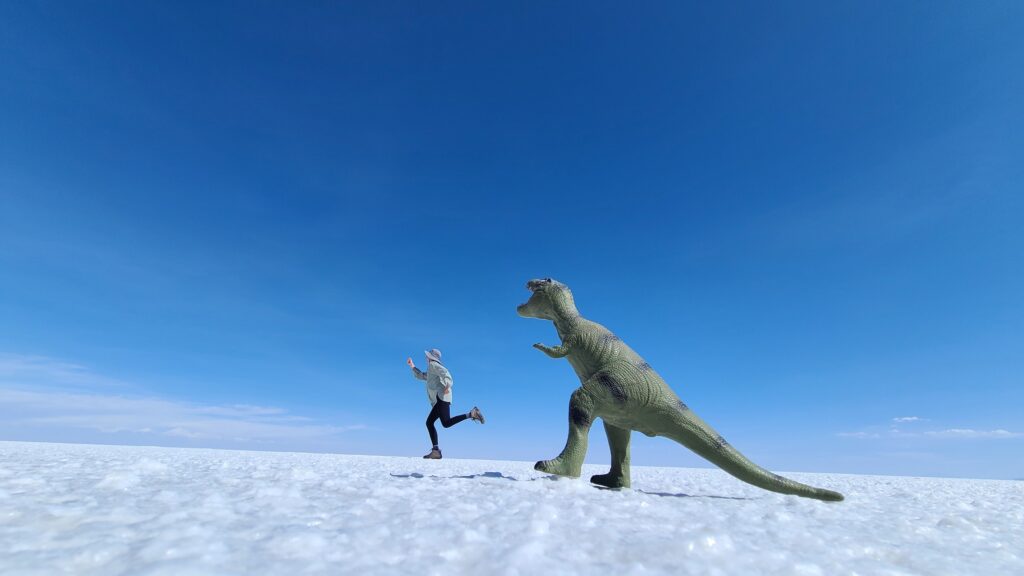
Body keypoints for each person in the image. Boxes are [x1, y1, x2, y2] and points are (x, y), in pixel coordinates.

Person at [407, 348, 484, 459]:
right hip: (442, 399)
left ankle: (436, 450)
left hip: (442, 397)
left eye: (427, 356)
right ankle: (471, 414)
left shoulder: (433, 365)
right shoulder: (431, 370)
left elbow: (446, 373)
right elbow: (422, 376)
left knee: (430, 422)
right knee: (445, 423)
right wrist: (412, 366)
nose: (426, 358)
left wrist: (447, 385)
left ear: (430, 357)